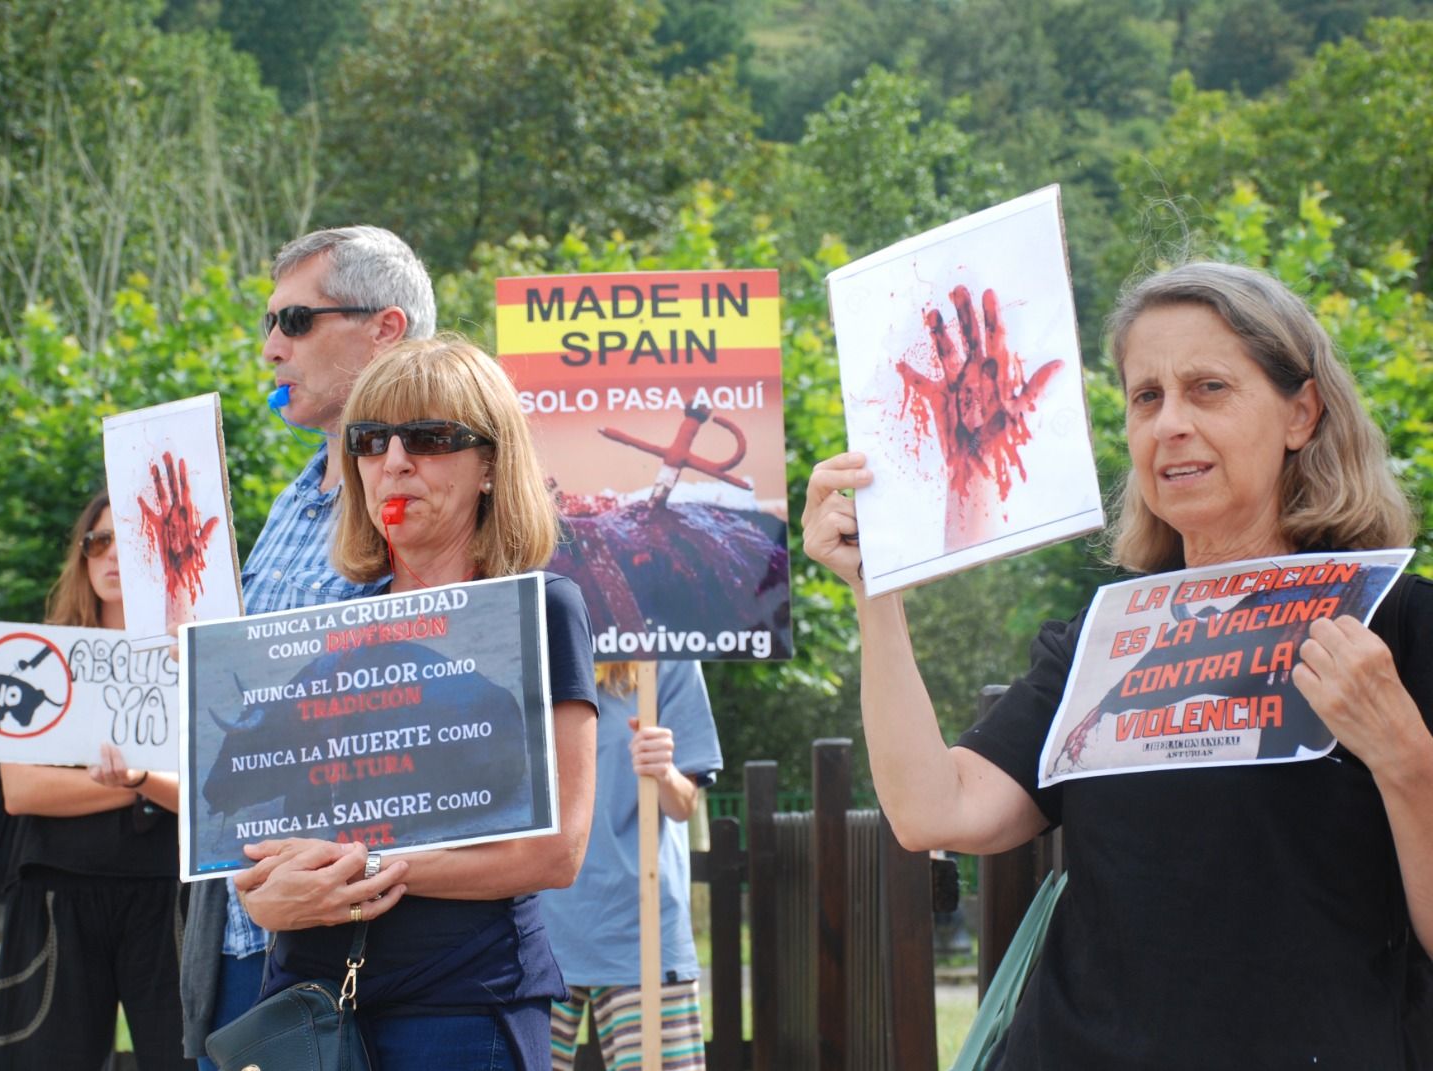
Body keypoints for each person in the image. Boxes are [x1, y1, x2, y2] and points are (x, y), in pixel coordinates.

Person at [801, 261, 1433, 1069]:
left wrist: (1404, 753)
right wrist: (873, 590)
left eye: (1208, 388)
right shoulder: (1105, 635)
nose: (1170, 422)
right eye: (1147, 396)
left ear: (1300, 413)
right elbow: (935, 807)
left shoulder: (1398, 623)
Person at [231, 336, 599, 1069]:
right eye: (371, 440)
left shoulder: (541, 610)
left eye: (429, 438)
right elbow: (257, 845)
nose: (394, 461)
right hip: (304, 1001)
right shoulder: (319, 632)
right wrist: (264, 901)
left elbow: (556, 852)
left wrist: (361, 871)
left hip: (461, 1003)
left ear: (491, 464)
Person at [180, 224, 437, 1069]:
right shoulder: (291, 501)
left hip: (360, 938)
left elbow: (435, 736)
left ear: (385, 329)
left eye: (294, 321)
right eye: (268, 323)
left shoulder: (435, 504)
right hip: (250, 927)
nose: (269, 349)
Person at [0, 491, 189, 1070]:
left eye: (133, 540)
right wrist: (142, 783)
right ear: (82, 556)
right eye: (100, 541)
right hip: (56, 891)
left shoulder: (191, 655)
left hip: (166, 893)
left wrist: (143, 779)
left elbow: (205, 795)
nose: (114, 556)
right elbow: (22, 792)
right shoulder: (31, 655)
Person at [539, 660, 722, 1071]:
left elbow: (684, 805)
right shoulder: (535, 640)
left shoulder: (666, 655)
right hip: (536, 933)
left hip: (640, 928)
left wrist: (664, 771)